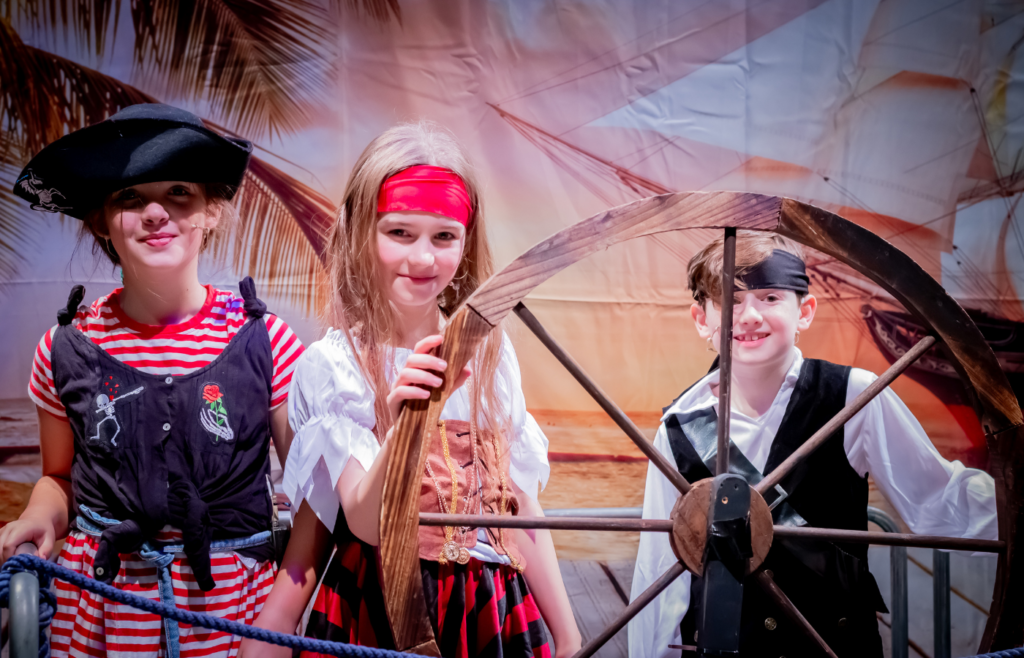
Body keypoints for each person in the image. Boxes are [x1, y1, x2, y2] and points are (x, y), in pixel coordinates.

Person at [241, 122, 581, 658]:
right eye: (399, 232)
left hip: (486, 610)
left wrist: (568, 634)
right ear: (362, 233)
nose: (423, 258)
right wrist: (405, 425)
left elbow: (517, 504)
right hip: (380, 606)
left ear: (466, 243)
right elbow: (362, 522)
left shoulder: (491, 352)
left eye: (444, 236)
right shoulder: (335, 367)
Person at [0, 103, 304, 658]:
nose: (156, 213)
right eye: (130, 198)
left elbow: (313, 500)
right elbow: (59, 478)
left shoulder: (269, 341)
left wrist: (280, 624)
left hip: (235, 621)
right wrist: (39, 516)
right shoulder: (64, 348)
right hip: (102, 617)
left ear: (212, 211)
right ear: (101, 220)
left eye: (180, 192)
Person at [628, 231, 998, 658]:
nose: (748, 316)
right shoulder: (678, 427)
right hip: (728, 645)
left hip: (835, 644)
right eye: (731, 299)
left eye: (769, 298)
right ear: (700, 319)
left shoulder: (854, 396)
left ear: (805, 311)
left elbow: (939, 499)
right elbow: (659, 566)